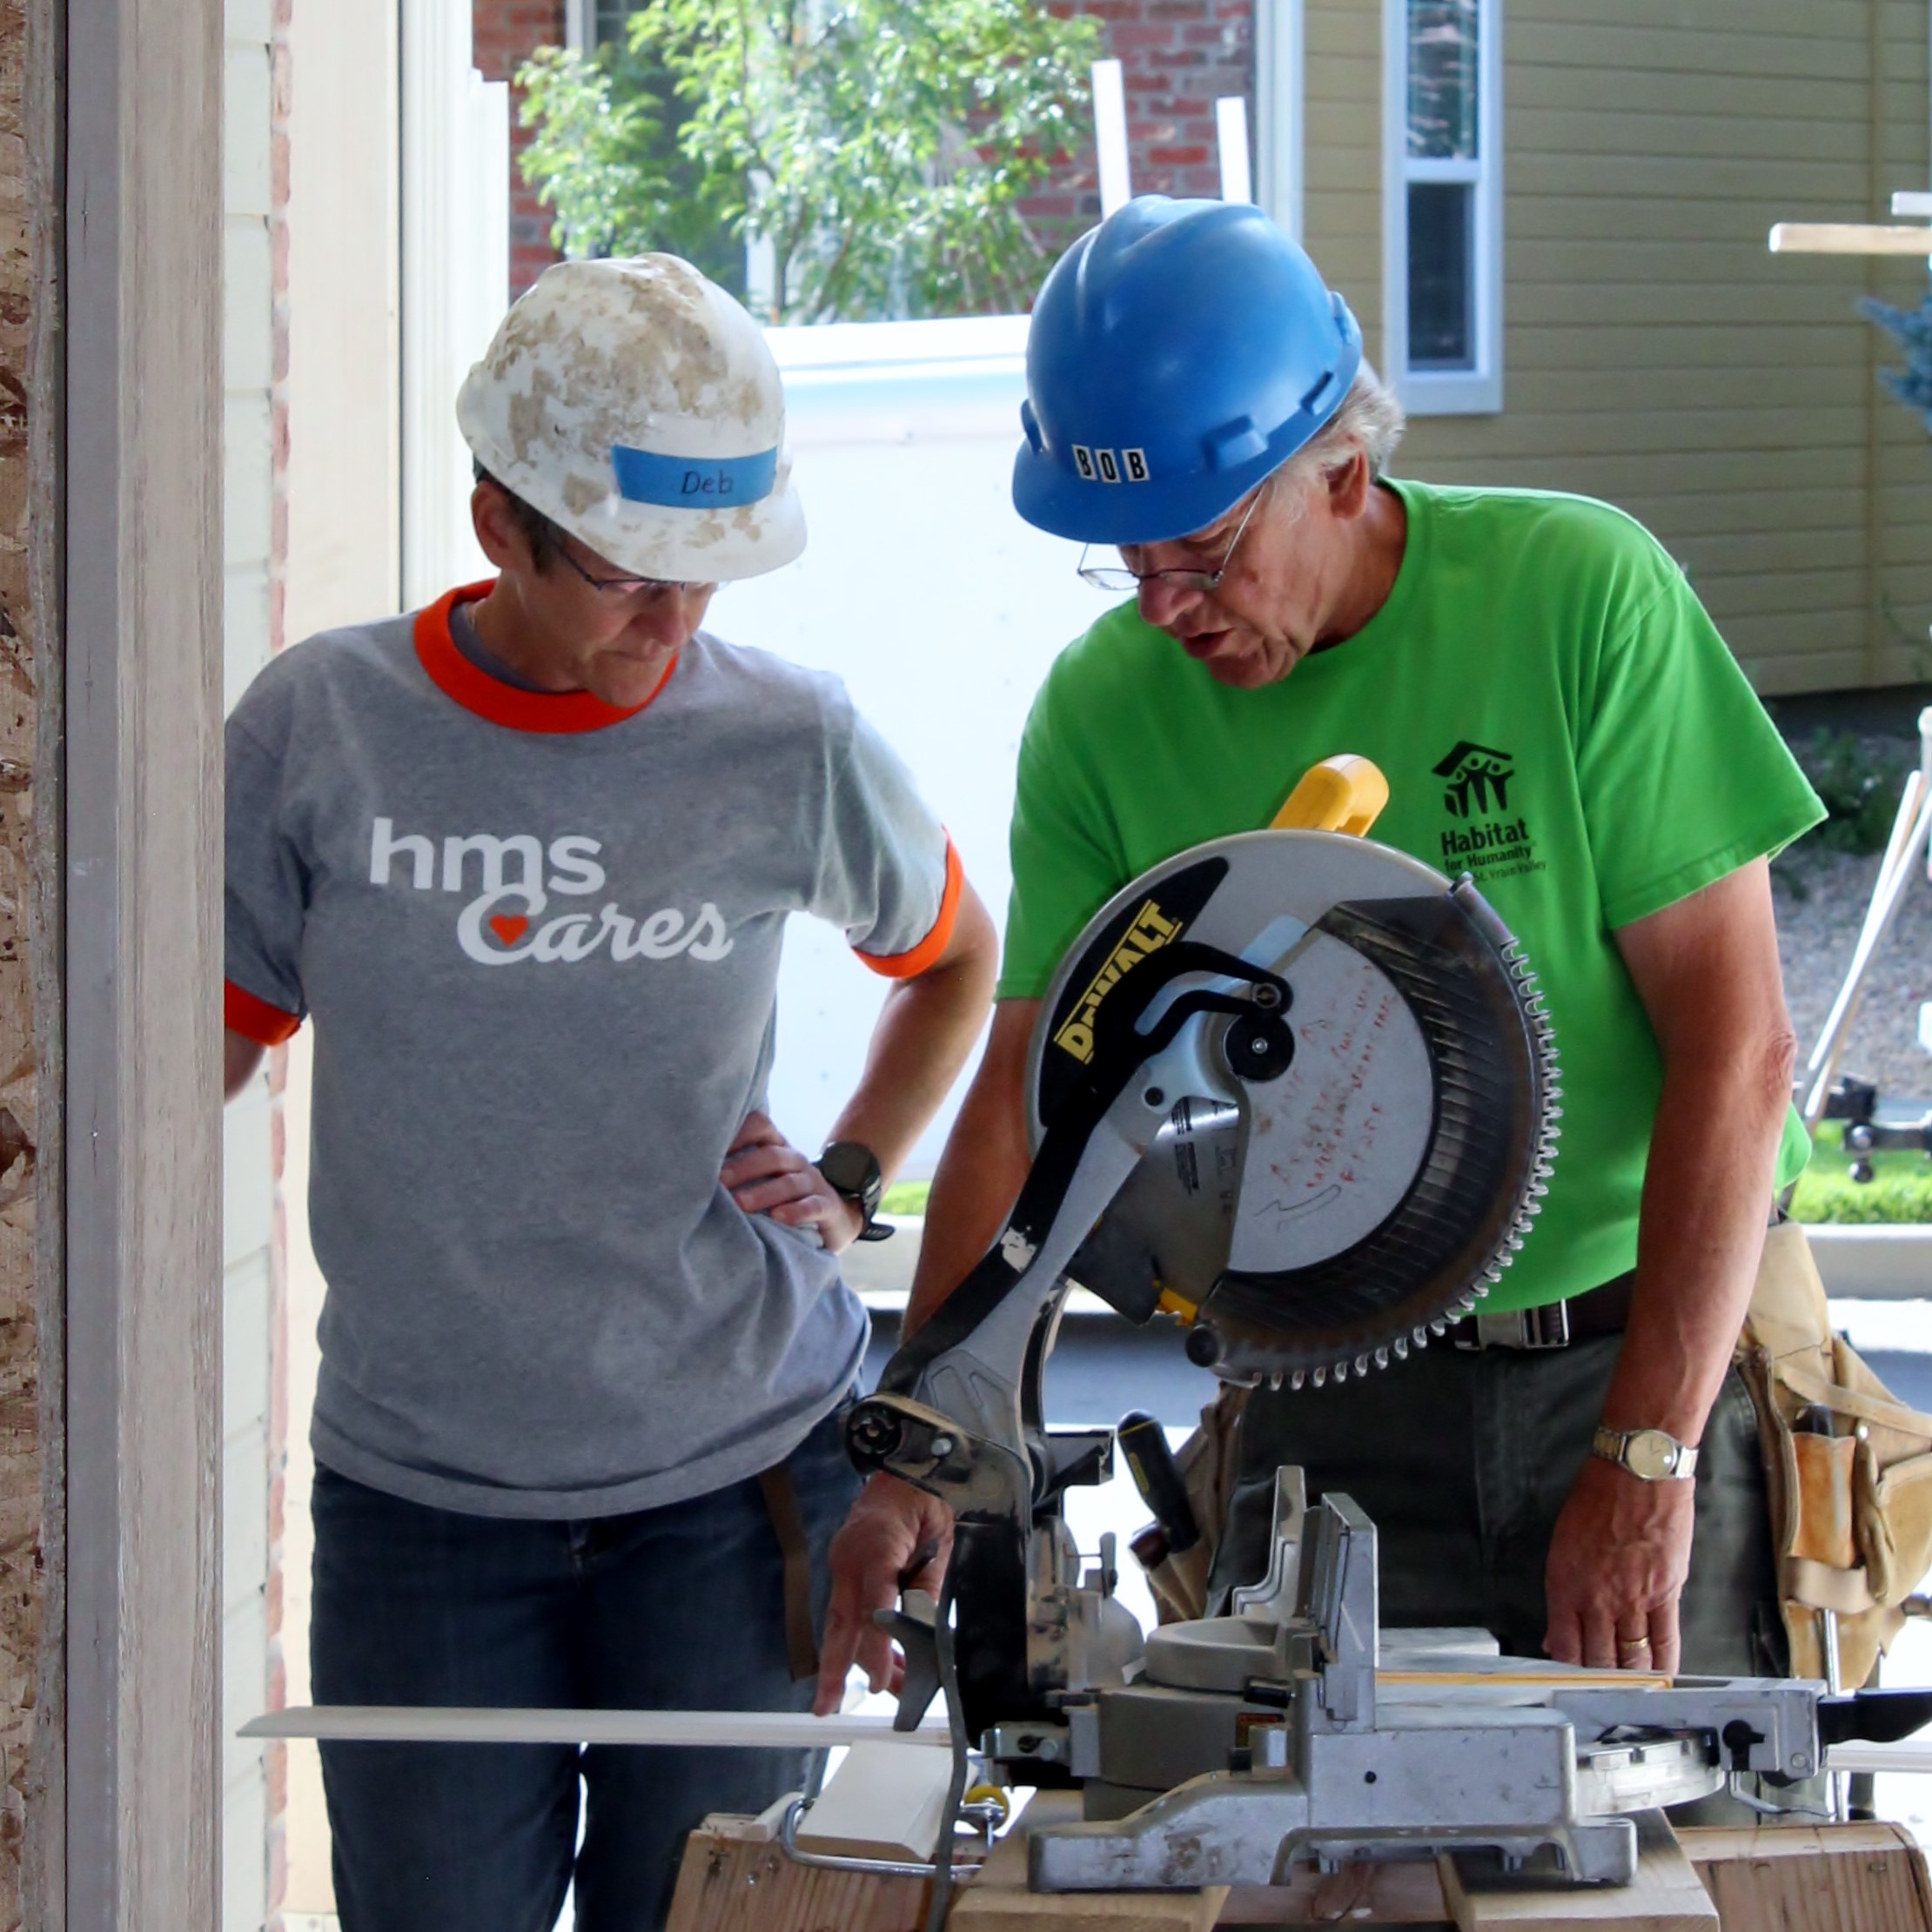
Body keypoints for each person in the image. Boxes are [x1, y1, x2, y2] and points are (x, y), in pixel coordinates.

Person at [815, 196, 1825, 1749]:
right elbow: (1032, 1112)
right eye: (1126, 565)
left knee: (1665, 1856)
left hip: (1638, 1357)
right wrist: (924, 1454)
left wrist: (1644, 1461)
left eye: (1205, 553)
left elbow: (1738, 1050)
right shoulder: (1102, 714)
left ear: (1343, 472)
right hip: (1324, 1398)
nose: (1165, 609)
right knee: (1321, 1864)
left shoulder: (1576, 600)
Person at [222, 254, 997, 1932]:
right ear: (501, 523)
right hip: (424, 1499)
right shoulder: (321, 730)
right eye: (634, 579)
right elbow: (187, 1057)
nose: (676, 624)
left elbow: (954, 959)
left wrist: (855, 1175)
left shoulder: (787, 740)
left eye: (706, 582)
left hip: (730, 1495)